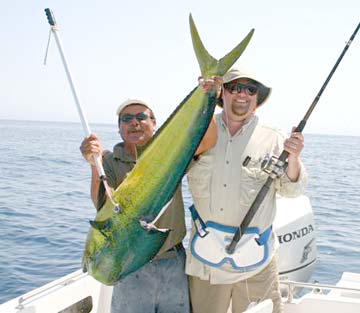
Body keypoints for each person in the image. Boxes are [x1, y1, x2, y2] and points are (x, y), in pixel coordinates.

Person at [186, 67, 308, 313]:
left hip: (255, 262)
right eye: (235, 87)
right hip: (206, 262)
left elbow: (292, 191)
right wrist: (200, 97)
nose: (242, 94)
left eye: (250, 89)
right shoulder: (199, 131)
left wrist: (293, 157)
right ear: (223, 94)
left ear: (257, 99)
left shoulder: (273, 137)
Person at [80, 99, 215, 313]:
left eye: (141, 117)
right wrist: (93, 163)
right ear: (119, 128)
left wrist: (210, 97)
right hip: (130, 265)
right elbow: (102, 205)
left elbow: (207, 141)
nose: (134, 123)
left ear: (154, 124)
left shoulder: (170, 155)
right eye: (127, 119)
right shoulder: (108, 160)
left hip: (173, 260)